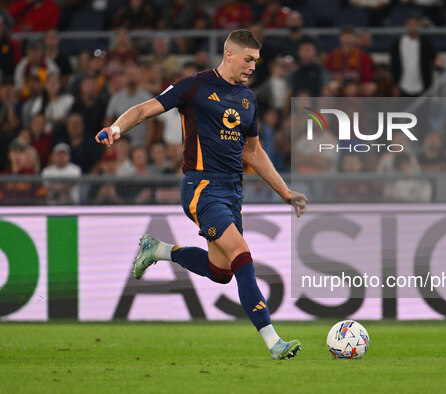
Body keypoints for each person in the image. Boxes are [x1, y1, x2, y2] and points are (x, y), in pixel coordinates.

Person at [95, 30, 306, 360]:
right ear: (229, 54)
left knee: (222, 272)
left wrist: (284, 191)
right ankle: (273, 341)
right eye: (248, 59)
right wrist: (116, 129)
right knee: (242, 255)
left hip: (233, 190)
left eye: (256, 61)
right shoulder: (194, 86)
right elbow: (144, 109)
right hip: (202, 188)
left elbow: (254, 152)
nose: (253, 66)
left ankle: (159, 250)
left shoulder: (248, 99)